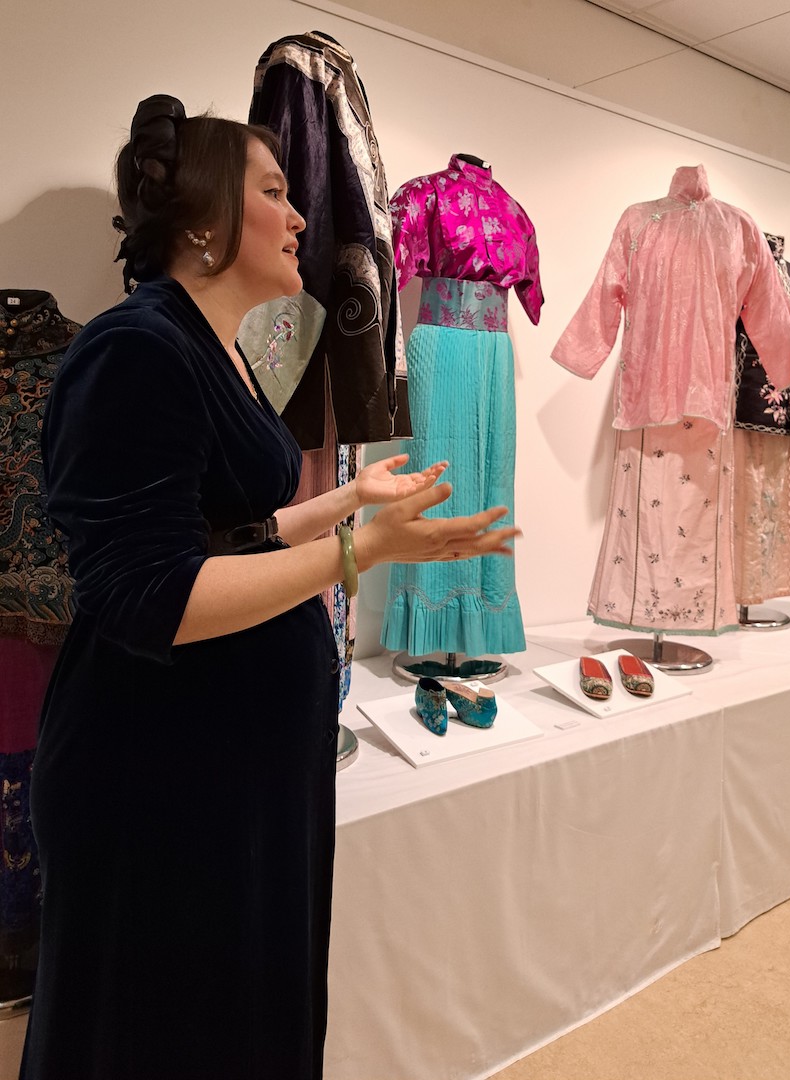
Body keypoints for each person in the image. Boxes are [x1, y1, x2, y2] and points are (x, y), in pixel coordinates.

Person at [19, 95, 519, 1080]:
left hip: (231, 773)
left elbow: (227, 537)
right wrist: (361, 550)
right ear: (204, 219)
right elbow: (147, 594)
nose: (301, 219)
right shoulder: (135, 350)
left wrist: (348, 508)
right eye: (277, 193)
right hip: (157, 779)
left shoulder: (218, 354)